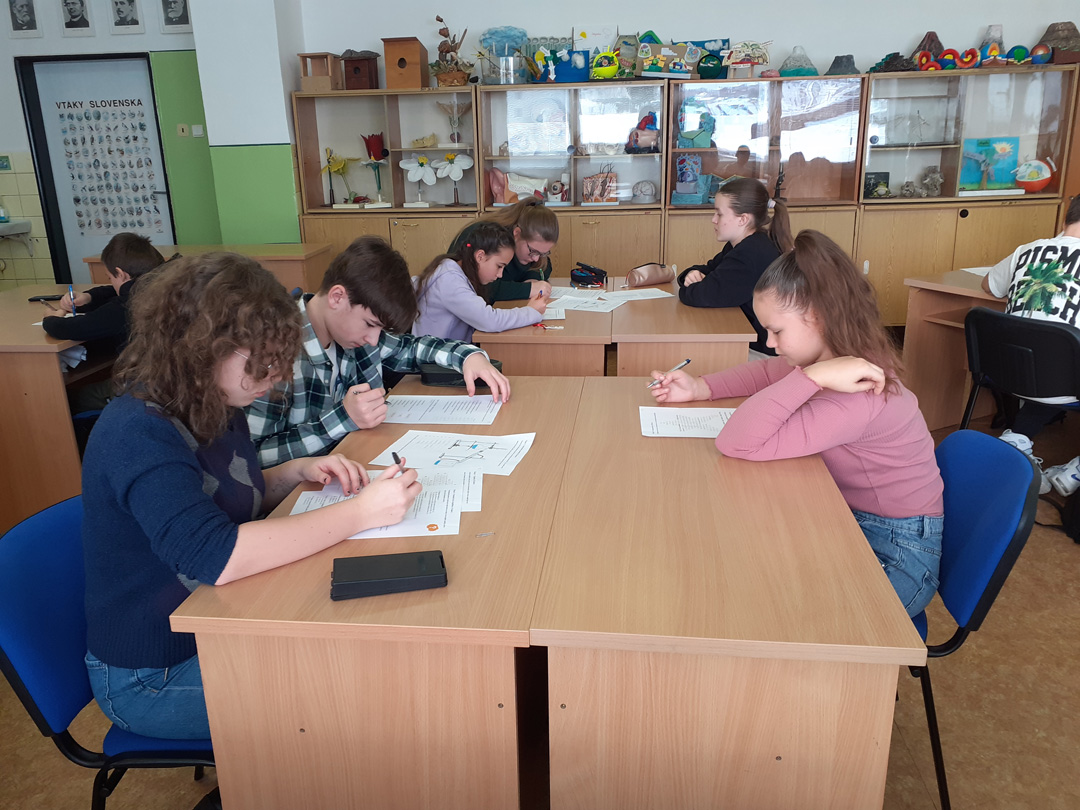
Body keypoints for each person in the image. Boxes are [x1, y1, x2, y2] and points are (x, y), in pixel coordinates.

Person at [82, 252, 422, 744]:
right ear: (203, 347)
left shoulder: (215, 401)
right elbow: (216, 555)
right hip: (153, 673)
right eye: (263, 364)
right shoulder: (136, 432)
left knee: (359, 657)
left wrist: (294, 472)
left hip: (219, 620)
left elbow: (231, 497)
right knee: (348, 692)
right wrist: (360, 514)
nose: (277, 378)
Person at [650, 230, 943, 618]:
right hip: (849, 515)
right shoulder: (838, 355)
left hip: (897, 551)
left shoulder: (860, 392)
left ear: (819, 318)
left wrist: (811, 378)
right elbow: (766, 373)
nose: (770, 343)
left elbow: (738, 442)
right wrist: (700, 388)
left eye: (777, 331)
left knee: (788, 614)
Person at [246, 235, 510, 468]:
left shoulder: (353, 333)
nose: (374, 340)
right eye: (370, 325)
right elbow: (253, 459)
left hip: (359, 463)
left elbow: (411, 348)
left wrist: (469, 356)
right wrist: (342, 419)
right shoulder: (274, 355)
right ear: (337, 297)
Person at [981, 196, 1080, 495]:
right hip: (1066, 385)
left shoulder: (1025, 251)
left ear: (1065, 219)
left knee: (1051, 360)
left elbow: (989, 285)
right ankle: (1075, 471)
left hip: (1011, 375)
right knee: (1060, 361)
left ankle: (1017, 440)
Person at [676, 177, 794, 358]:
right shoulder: (745, 244)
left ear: (743, 219)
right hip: (754, 339)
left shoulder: (749, 254)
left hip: (766, 351)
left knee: (696, 356)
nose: (713, 220)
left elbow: (699, 295)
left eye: (719, 214)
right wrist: (691, 274)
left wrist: (690, 285)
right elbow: (709, 269)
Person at [414, 221, 547, 341]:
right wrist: (531, 311)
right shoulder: (450, 281)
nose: (500, 274)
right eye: (499, 266)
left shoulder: (457, 271)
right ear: (480, 256)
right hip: (436, 357)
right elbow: (490, 320)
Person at [41, 232, 164, 350]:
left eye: (110, 278)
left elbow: (72, 328)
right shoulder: (160, 290)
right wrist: (88, 297)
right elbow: (115, 293)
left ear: (120, 274)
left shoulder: (125, 307)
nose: (111, 282)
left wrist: (51, 319)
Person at [449, 198, 559, 302]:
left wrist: (532, 279)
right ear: (517, 233)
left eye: (542, 253)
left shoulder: (530, 247)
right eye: (533, 251)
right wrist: (528, 289)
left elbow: (544, 265)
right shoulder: (487, 237)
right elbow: (482, 288)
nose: (536, 259)